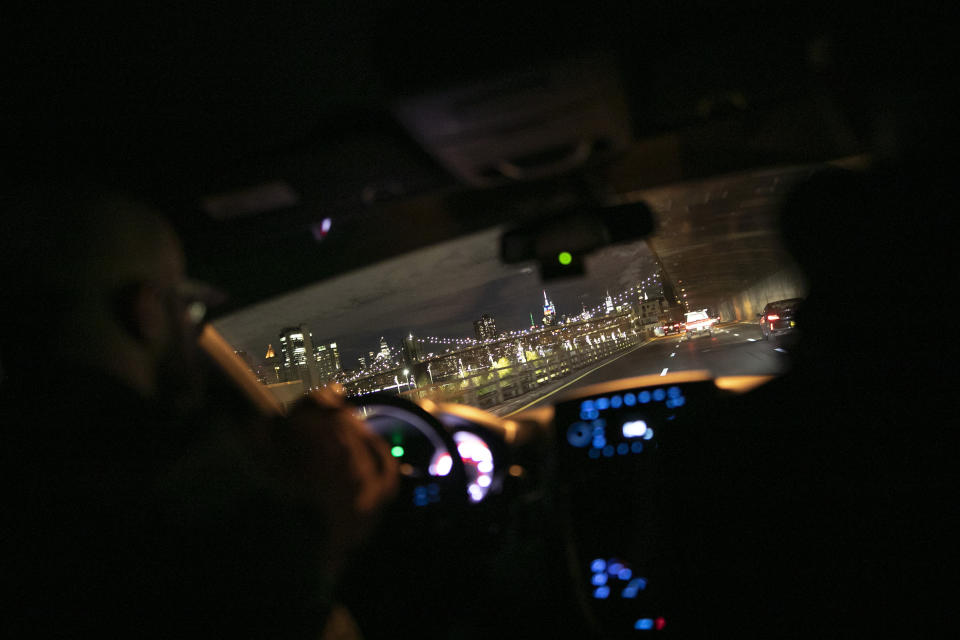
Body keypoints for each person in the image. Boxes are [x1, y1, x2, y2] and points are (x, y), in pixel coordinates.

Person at [0, 180, 398, 638]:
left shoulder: (34, 454)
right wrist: (329, 533)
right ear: (146, 311)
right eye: (185, 308)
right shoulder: (188, 494)